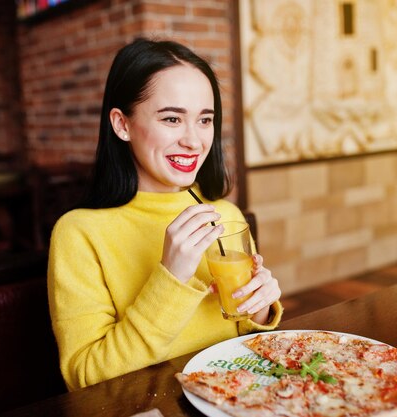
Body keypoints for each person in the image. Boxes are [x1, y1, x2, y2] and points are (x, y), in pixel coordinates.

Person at [48, 38, 283, 390]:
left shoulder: (225, 215)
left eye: (205, 120)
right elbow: (85, 378)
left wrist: (260, 309)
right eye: (172, 118)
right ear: (122, 124)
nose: (194, 140)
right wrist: (171, 278)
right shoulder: (78, 233)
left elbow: (244, 339)